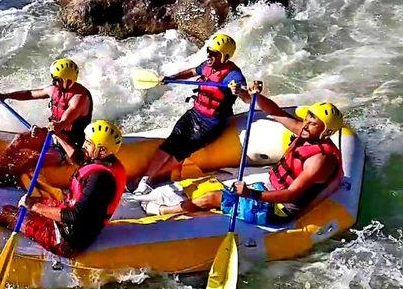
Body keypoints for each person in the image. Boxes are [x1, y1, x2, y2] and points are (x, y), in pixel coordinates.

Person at [134, 81, 344, 226]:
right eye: (307, 118)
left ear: (325, 131)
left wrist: (250, 194)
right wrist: (252, 96)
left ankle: (161, 211)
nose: (305, 124)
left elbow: (291, 194)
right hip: (272, 188)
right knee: (222, 190)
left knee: (210, 199)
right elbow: (275, 112)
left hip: (278, 210)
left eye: (313, 123)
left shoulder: (319, 160)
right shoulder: (305, 132)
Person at [0, 120, 127, 257]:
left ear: (101, 150)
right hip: (71, 221)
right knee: (32, 202)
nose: (84, 145)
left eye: (88, 143)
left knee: (6, 213)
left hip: (67, 239)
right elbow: (79, 159)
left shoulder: (100, 179)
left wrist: (34, 207)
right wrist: (56, 133)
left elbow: (75, 217)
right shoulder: (105, 161)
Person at [133, 33, 248, 194]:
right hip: (194, 114)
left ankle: (153, 180)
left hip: (210, 124)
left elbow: (248, 98)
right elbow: (192, 72)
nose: (210, 55)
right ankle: (146, 178)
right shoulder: (207, 65)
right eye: (209, 51)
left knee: (179, 152)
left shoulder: (233, 75)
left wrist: (239, 91)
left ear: (225, 56)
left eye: (215, 53)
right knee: (169, 144)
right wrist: (172, 77)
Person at [0, 58, 93, 176]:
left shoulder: (80, 99)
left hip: (69, 147)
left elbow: (61, 124)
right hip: (53, 136)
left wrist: (41, 131)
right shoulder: (54, 89)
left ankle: (9, 179)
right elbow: (30, 94)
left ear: (66, 80)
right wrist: (6, 96)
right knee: (19, 139)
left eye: (56, 79)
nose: (54, 82)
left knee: (32, 161)